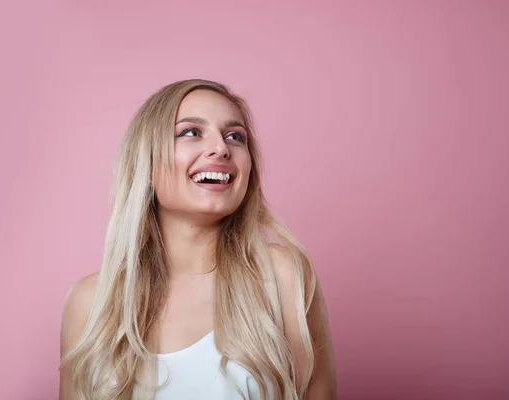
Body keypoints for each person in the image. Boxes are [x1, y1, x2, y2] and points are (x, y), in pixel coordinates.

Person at [59, 79, 337, 400]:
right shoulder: (89, 303)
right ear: (147, 163)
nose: (221, 148)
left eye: (235, 137)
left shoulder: (280, 275)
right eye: (190, 132)